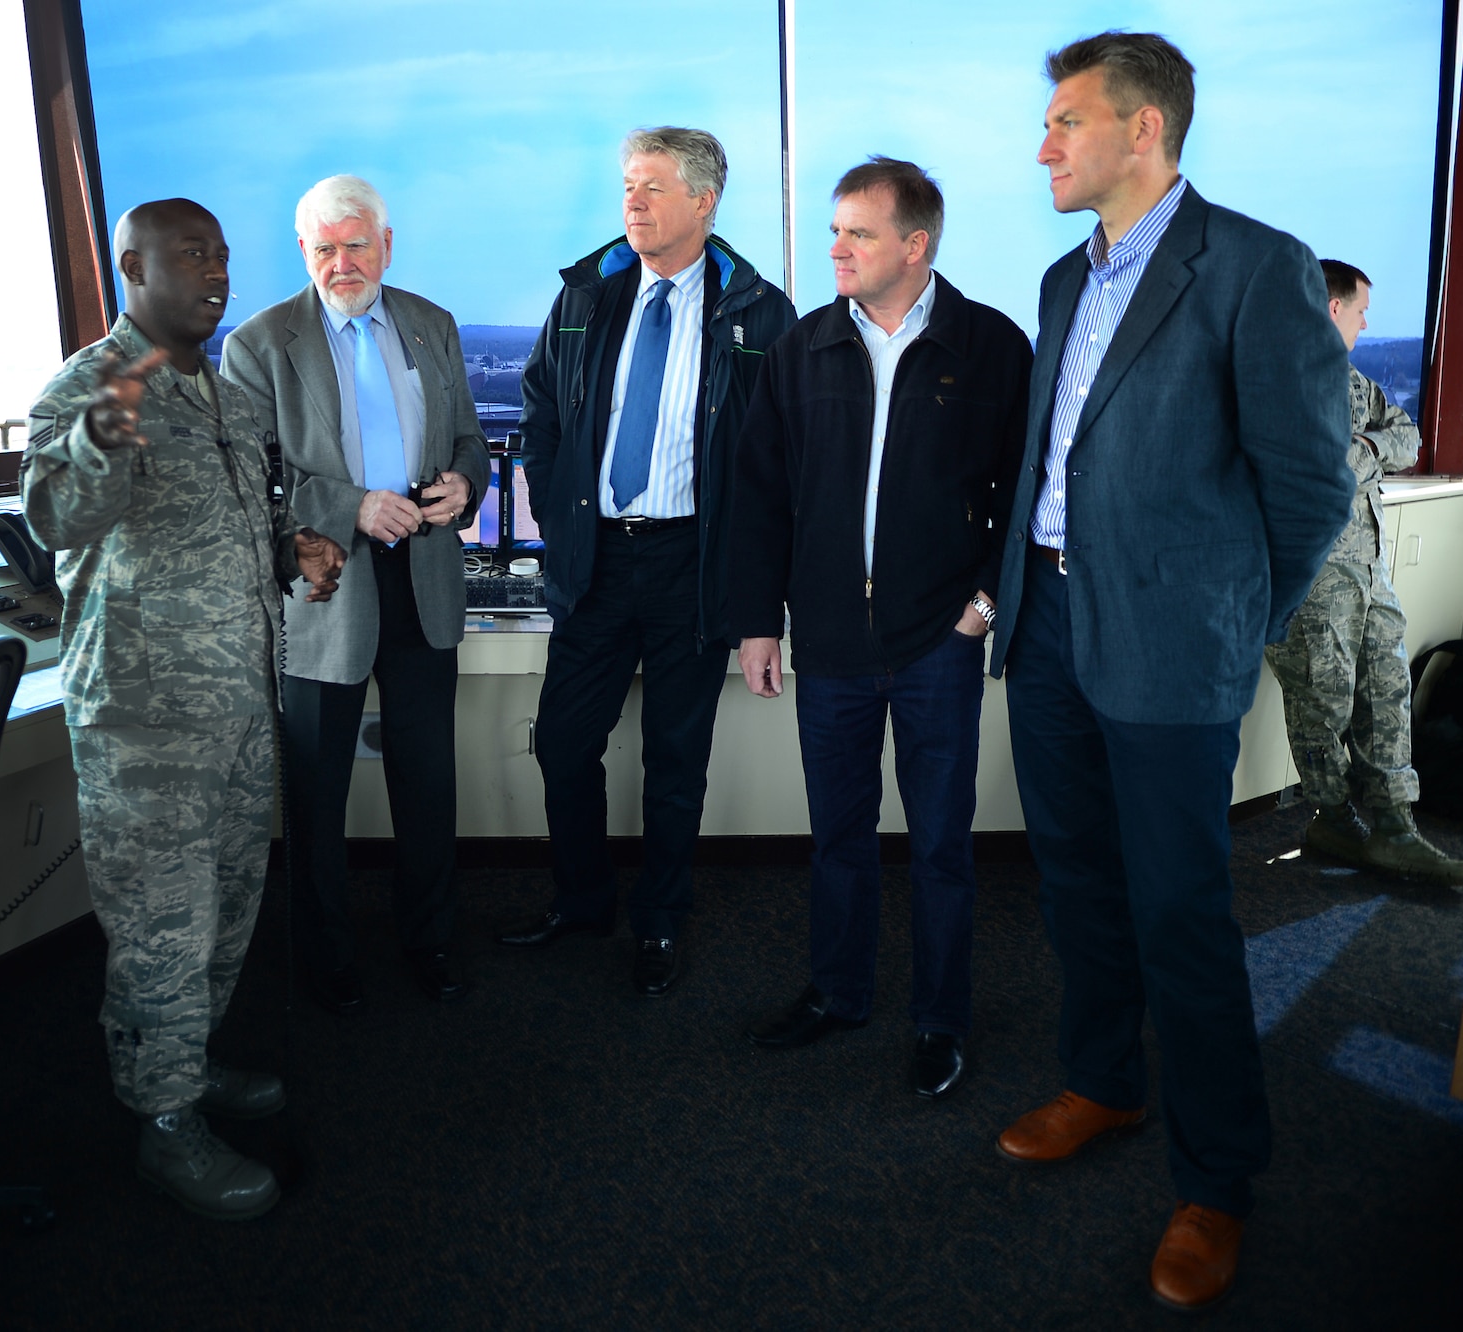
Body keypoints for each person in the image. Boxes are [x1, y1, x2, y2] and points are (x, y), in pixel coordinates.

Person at [984, 34, 1353, 1311]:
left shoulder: (1253, 266)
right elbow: (1053, 458)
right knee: (1077, 882)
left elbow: (1309, 487)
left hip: (1169, 647)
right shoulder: (1055, 280)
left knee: (1181, 915)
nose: (1041, 146)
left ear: (1141, 129)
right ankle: (1104, 1084)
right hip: (1047, 631)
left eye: (1062, 123)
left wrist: (1231, 616)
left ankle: (1215, 1181)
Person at [24, 198, 346, 1220]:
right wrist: (101, 435)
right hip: (143, 719)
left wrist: (290, 549)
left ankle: (187, 1062)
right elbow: (54, 520)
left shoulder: (231, 395)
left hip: (241, 704)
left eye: (219, 254)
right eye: (189, 255)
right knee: (164, 924)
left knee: (227, 909)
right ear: (132, 266)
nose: (214, 271)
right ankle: (162, 1122)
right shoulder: (88, 387)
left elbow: (244, 520)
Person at [732, 158, 1029, 1098]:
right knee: (838, 837)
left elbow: (1026, 496)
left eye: (858, 233)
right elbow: (759, 493)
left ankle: (940, 1022)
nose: (837, 249)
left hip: (939, 641)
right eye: (835, 231)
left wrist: (983, 610)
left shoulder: (991, 347)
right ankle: (838, 993)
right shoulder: (802, 348)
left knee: (941, 845)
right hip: (829, 642)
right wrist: (756, 623)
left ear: (915, 244)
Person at [499, 127, 796, 996]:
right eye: (628, 186)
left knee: (675, 759)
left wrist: (758, 606)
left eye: (653, 188)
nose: (632, 202)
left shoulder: (759, 312)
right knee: (562, 744)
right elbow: (543, 411)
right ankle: (582, 901)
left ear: (703, 202)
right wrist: (559, 521)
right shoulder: (588, 293)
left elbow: (778, 464)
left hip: (692, 564)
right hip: (596, 561)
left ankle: (660, 921)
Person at [222, 175, 490, 1013]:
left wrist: (464, 487)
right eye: (325, 249)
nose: (343, 263)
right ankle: (325, 957)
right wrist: (351, 506)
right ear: (303, 253)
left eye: (357, 244)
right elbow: (254, 481)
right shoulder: (260, 345)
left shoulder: (431, 323)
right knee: (315, 791)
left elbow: (471, 439)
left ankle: (431, 939)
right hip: (323, 593)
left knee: (427, 783)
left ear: (387, 243)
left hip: (425, 580)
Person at [1266, 260, 1463, 887]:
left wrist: (1365, 450)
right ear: (1333, 308)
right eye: (1361, 311)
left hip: (1366, 563)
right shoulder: (1273, 377)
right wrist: (1354, 458)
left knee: (1389, 686)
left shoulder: (1354, 381)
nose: (1366, 322)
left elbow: (1407, 436)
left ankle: (1395, 825)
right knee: (1321, 701)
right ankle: (1333, 818)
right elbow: (1303, 474)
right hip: (1310, 572)